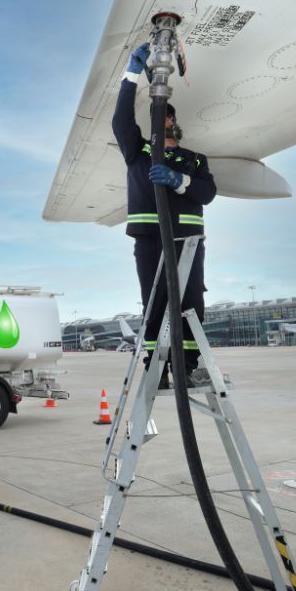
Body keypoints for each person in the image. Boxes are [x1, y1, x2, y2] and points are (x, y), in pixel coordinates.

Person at [114, 41, 217, 387]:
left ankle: (185, 366)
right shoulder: (139, 153)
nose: (165, 119)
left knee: (190, 303)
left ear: (175, 122)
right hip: (150, 240)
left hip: (188, 243)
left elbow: (208, 193)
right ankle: (154, 368)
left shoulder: (195, 159)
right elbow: (120, 122)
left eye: (169, 115)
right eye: (160, 115)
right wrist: (131, 75)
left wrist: (179, 180)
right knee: (154, 302)